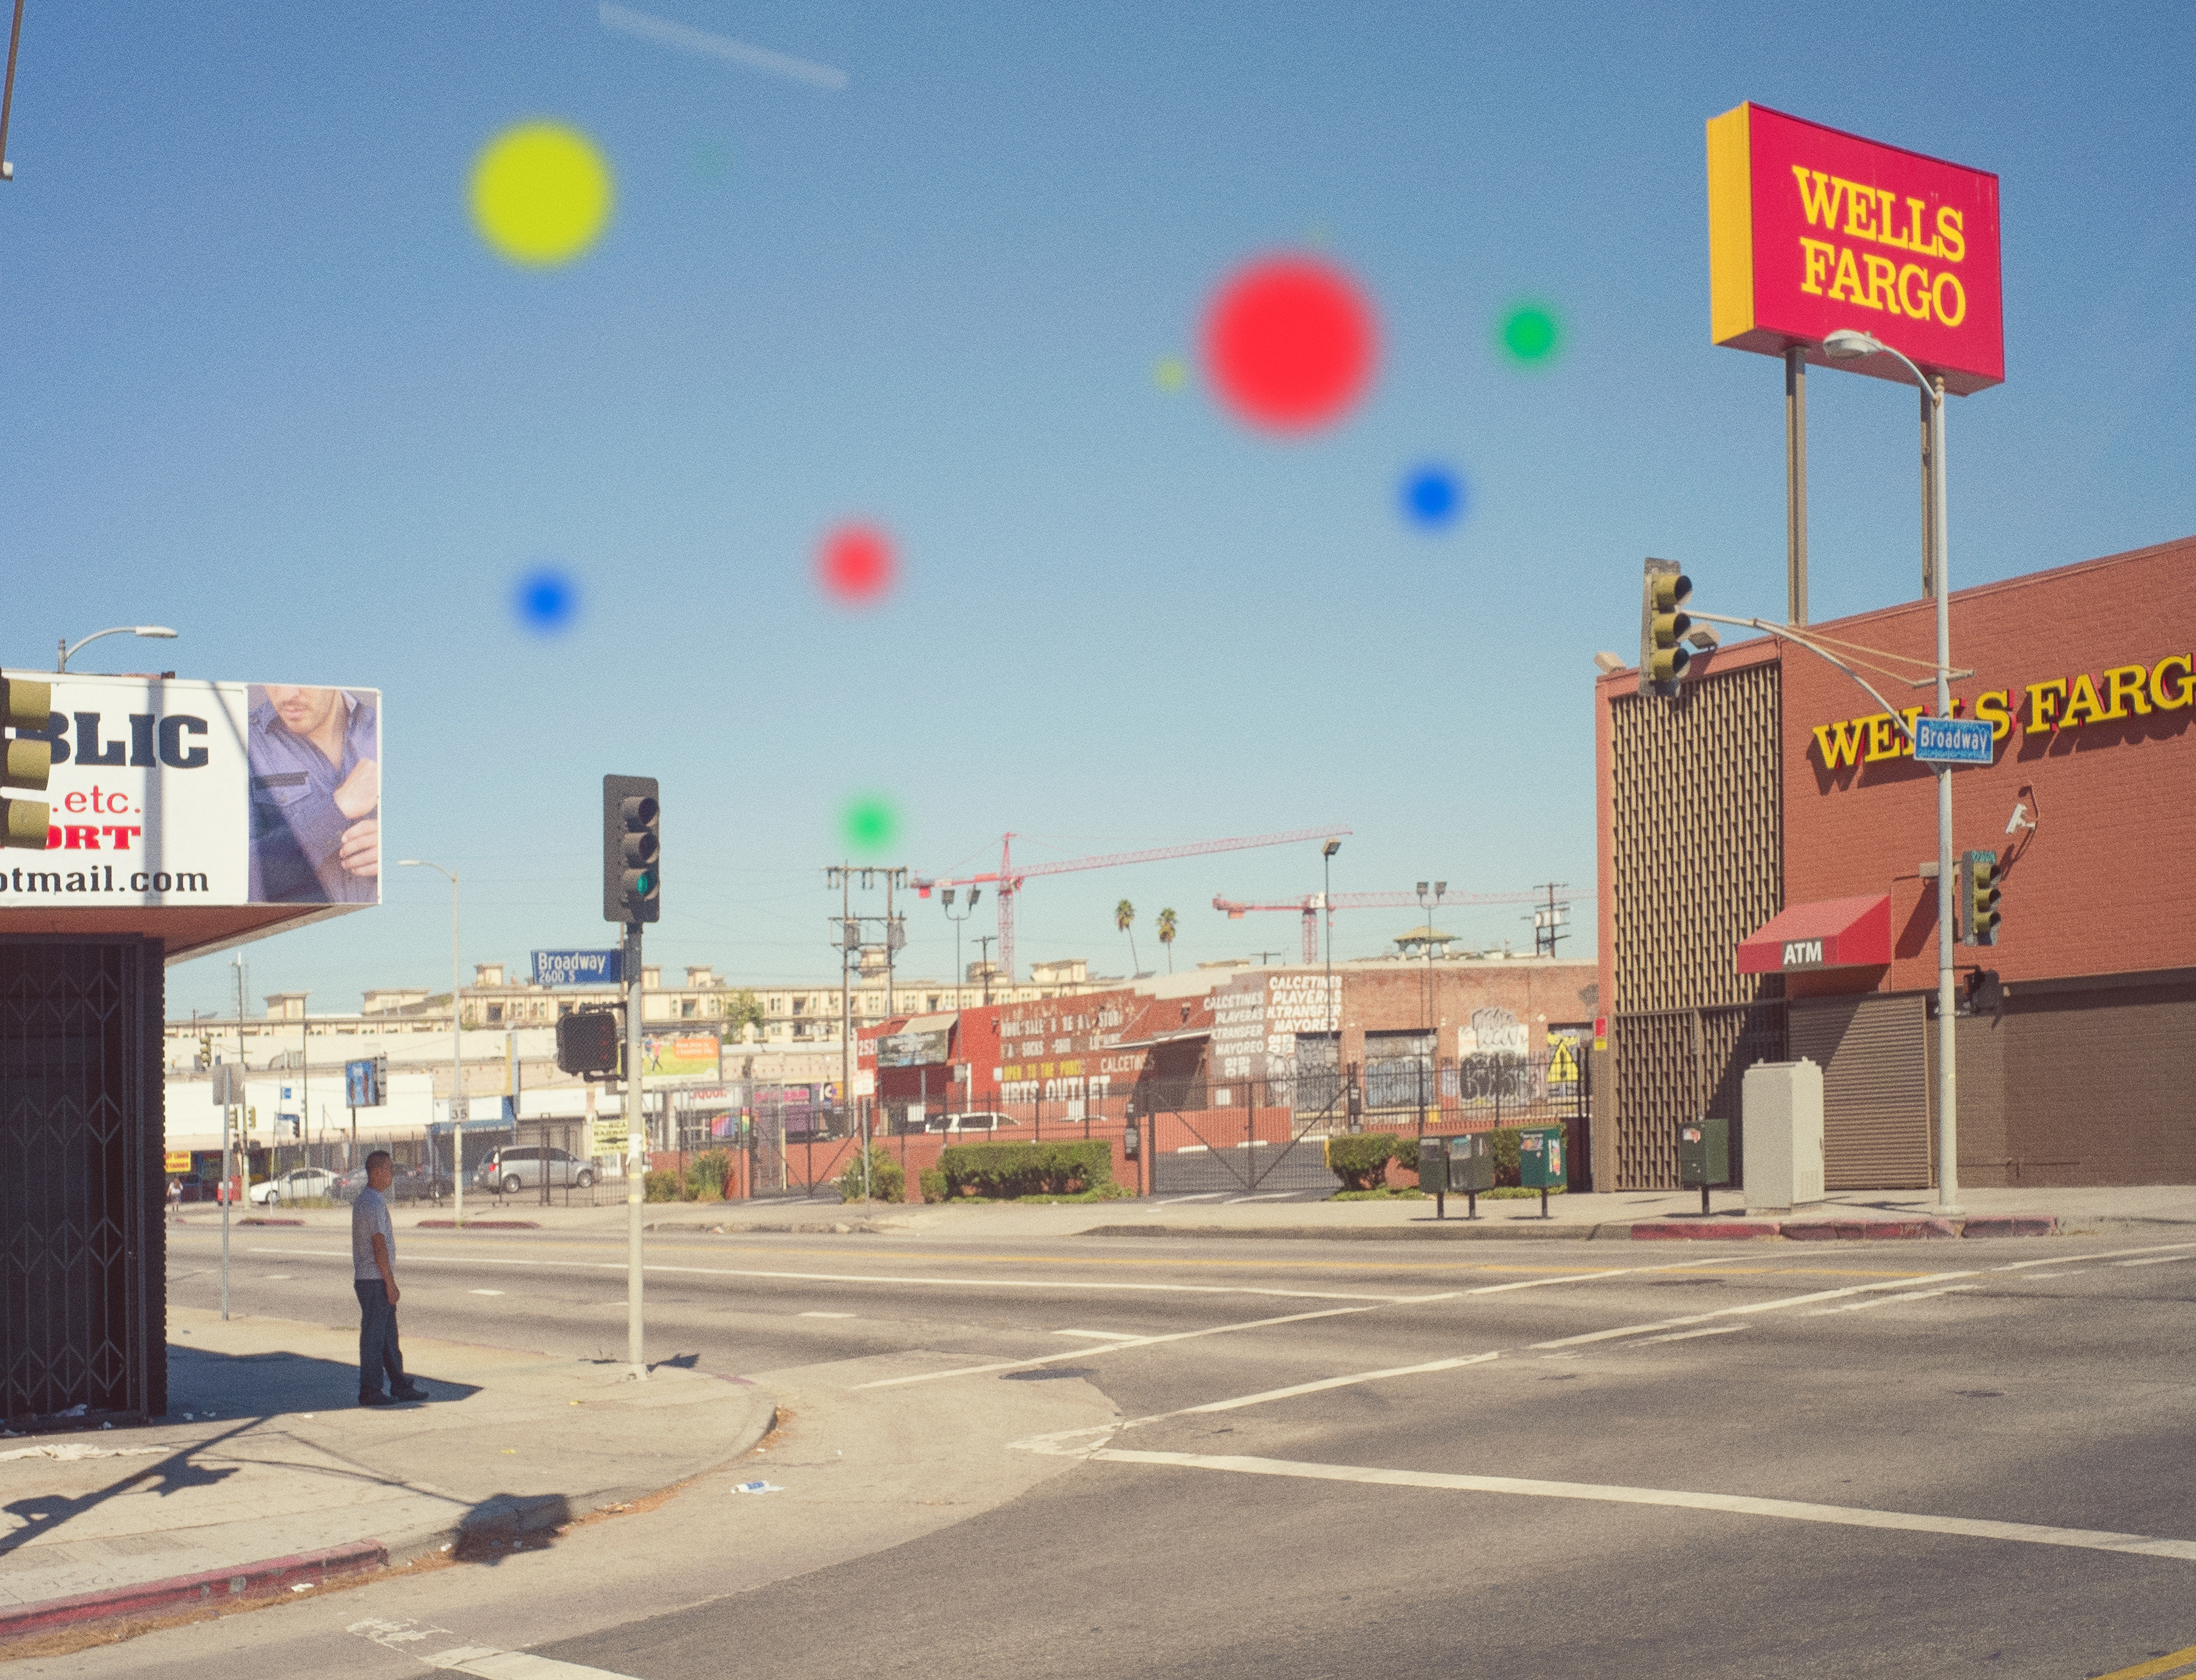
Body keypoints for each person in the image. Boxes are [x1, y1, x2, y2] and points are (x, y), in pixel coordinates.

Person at [248, 685, 379, 904]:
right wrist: (335, 810)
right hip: (295, 934)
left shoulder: (386, 729)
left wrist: (394, 846)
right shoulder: (238, 743)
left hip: (384, 930)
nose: (287, 696)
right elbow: (223, 876)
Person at [352, 1151, 428, 1407]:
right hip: (374, 1280)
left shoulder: (367, 1200)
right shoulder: (372, 1202)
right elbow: (379, 1245)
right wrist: (390, 1282)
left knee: (387, 1338)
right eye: (389, 1170)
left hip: (371, 1279)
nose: (392, 1176)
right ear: (376, 1171)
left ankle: (400, 1385)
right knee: (375, 1339)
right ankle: (371, 1390)